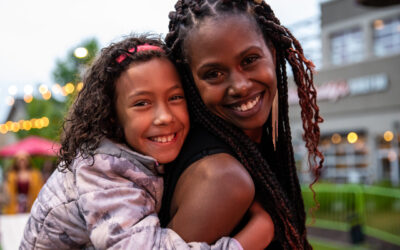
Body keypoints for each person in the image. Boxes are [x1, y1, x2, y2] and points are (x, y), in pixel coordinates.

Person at [20, 35, 272, 250]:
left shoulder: (137, 157)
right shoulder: (102, 171)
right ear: (112, 118)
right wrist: (247, 241)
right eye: (142, 103)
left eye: (175, 97)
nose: (164, 117)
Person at [159, 1, 324, 249]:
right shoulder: (223, 179)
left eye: (249, 60)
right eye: (213, 73)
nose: (240, 86)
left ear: (273, 50)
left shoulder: (244, 148)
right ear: (191, 81)